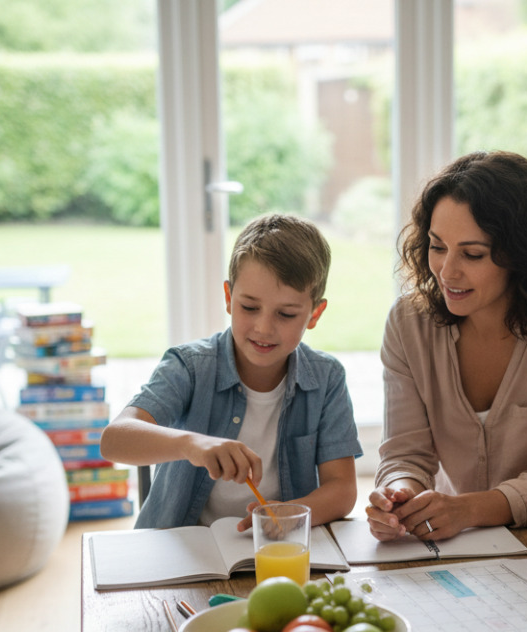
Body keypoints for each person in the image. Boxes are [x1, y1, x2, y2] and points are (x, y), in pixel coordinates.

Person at [366, 150, 527, 542]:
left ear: (520, 254)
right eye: (437, 246)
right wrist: (399, 494)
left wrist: (468, 509)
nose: (447, 272)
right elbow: (405, 454)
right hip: (448, 543)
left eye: (473, 253)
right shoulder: (408, 323)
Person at [100, 213, 362, 531]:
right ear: (228, 298)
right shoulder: (190, 366)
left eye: (286, 314)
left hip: (275, 547)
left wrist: (292, 514)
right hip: (184, 551)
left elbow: (342, 490)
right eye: (249, 307)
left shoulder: (327, 379)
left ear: (314, 314)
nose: (264, 328)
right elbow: (114, 440)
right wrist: (192, 445)